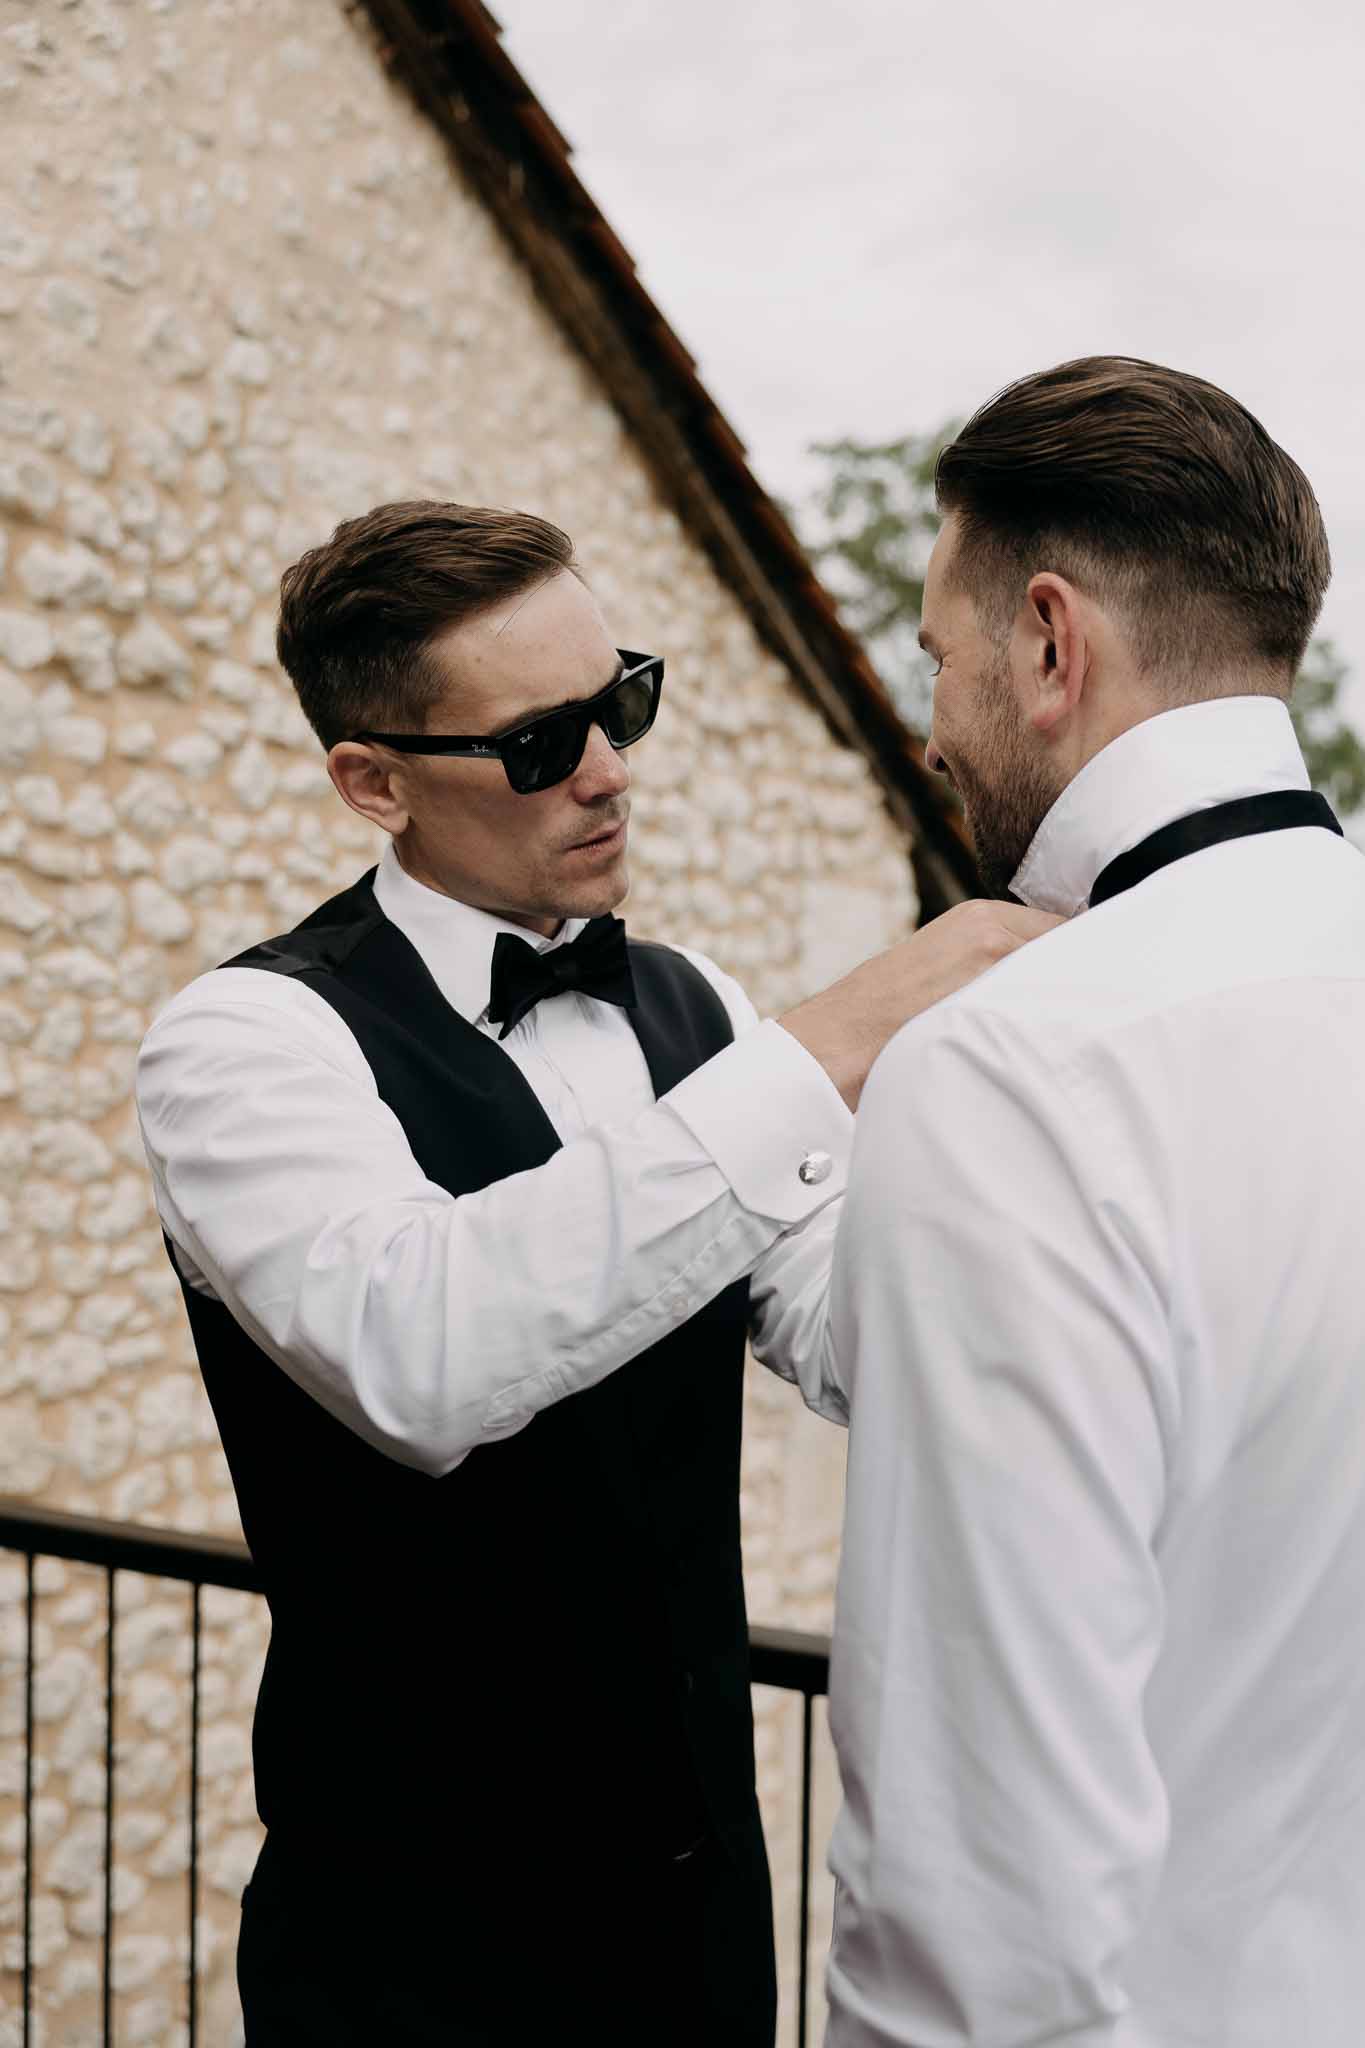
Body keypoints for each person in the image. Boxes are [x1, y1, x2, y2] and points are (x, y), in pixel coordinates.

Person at [133, 500, 1054, 2047]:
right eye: (542, 738)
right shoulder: (241, 1044)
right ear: (372, 782)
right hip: (407, 1942)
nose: (612, 769)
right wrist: (824, 1044)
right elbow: (420, 1356)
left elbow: (845, 1336)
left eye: (621, 700)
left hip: (697, 1912)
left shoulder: (690, 1007)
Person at [821, 355, 1365, 2047]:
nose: (928, 721)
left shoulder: (1005, 1074)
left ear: (1049, 644)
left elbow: (983, 1926)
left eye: (937, 655)